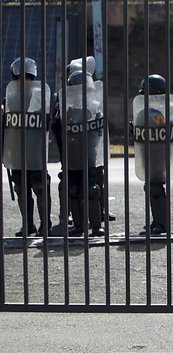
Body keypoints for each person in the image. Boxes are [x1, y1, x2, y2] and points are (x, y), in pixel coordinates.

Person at [2, 57, 52, 236]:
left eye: (28, 78)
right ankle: (28, 224)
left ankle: (45, 225)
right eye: (21, 79)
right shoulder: (8, 101)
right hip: (16, 154)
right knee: (22, 190)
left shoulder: (43, 100)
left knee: (40, 186)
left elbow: (51, 125)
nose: (25, 82)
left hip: (36, 153)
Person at [52, 69, 105, 237]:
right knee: (73, 190)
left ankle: (96, 227)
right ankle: (79, 226)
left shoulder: (96, 108)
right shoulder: (65, 110)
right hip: (72, 155)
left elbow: (100, 134)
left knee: (91, 190)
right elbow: (56, 130)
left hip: (89, 156)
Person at [131, 74, 173, 235]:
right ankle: (158, 221)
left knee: (155, 188)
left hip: (156, 156)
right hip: (154, 154)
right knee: (152, 188)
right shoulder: (165, 109)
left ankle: (162, 224)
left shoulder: (155, 112)